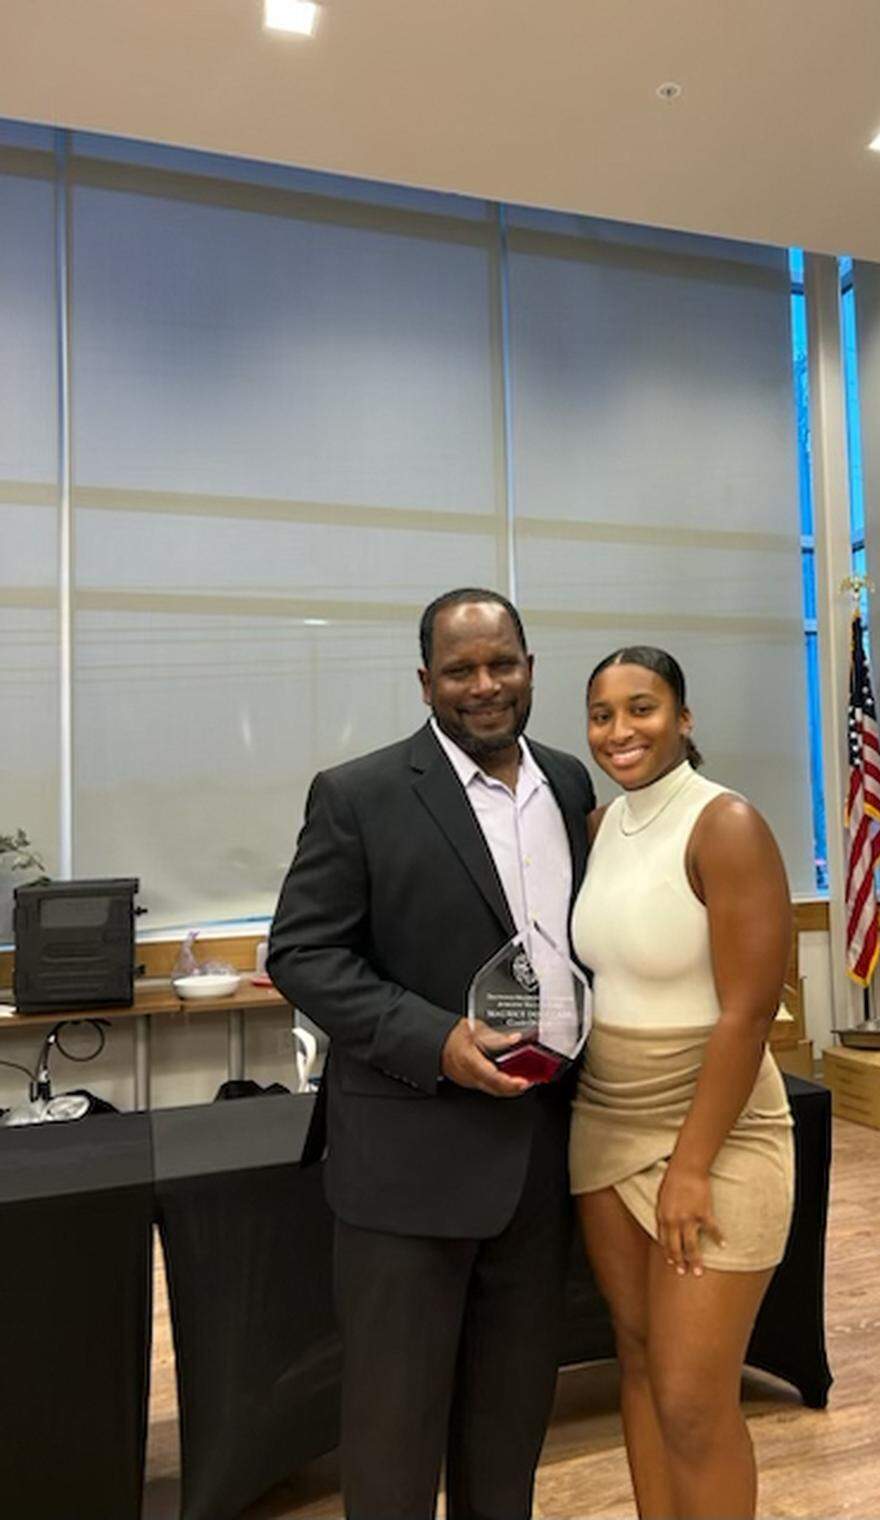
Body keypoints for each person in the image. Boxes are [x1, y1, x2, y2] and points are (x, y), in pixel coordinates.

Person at [267, 589, 595, 1520]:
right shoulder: (360, 794)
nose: (485, 686)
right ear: (425, 683)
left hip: (538, 1152)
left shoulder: (568, 783)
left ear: (531, 666)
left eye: (503, 663)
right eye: (461, 670)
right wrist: (436, 1039)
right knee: (395, 1439)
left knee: (508, 1426)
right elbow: (301, 951)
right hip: (407, 1171)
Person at [569, 645, 794, 1520]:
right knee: (637, 1361)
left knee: (696, 1400)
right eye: (602, 714)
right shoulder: (597, 829)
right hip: (607, 1118)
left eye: (642, 708)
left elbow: (749, 1011)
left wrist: (693, 1164)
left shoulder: (725, 823)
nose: (620, 730)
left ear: (684, 719)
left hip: (719, 1129)